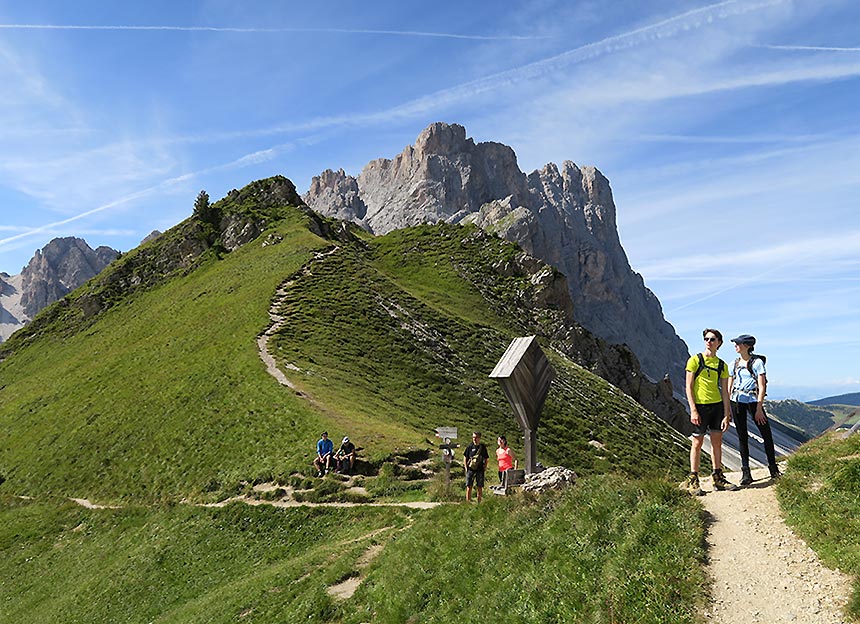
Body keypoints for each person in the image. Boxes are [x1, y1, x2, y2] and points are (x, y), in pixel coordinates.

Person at [683, 328, 739, 494]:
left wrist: (726, 414)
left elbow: (725, 391)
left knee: (717, 442)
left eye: (712, 339)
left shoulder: (721, 365)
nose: (709, 341)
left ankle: (718, 478)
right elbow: (688, 386)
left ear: (719, 343)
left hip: (717, 407)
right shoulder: (694, 360)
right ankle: (693, 479)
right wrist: (693, 410)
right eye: (706, 339)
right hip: (700, 407)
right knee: (697, 442)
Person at [729, 334, 780, 485]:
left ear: (747, 346)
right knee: (741, 435)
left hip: (753, 401)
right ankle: (746, 472)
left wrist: (759, 408)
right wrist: (727, 407)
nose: (735, 345)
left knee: (766, 435)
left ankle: (773, 469)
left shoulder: (757, 363)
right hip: (737, 401)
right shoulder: (733, 363)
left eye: (738, 343)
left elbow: (762, 386)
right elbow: (729, 385)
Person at [463, 431, 490, 502]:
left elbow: (486, 458)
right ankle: (468, 502)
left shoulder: (482, 447)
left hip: (480, 469)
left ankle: (479, 502)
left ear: (479, 438)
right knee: (469, 486)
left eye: (476, 437)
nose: (474, 439)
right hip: (470, 470)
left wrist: (484, 468)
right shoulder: (469, 447)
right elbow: (465, 458)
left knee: (479, 486)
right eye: (473, 437)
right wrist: (466, 468)